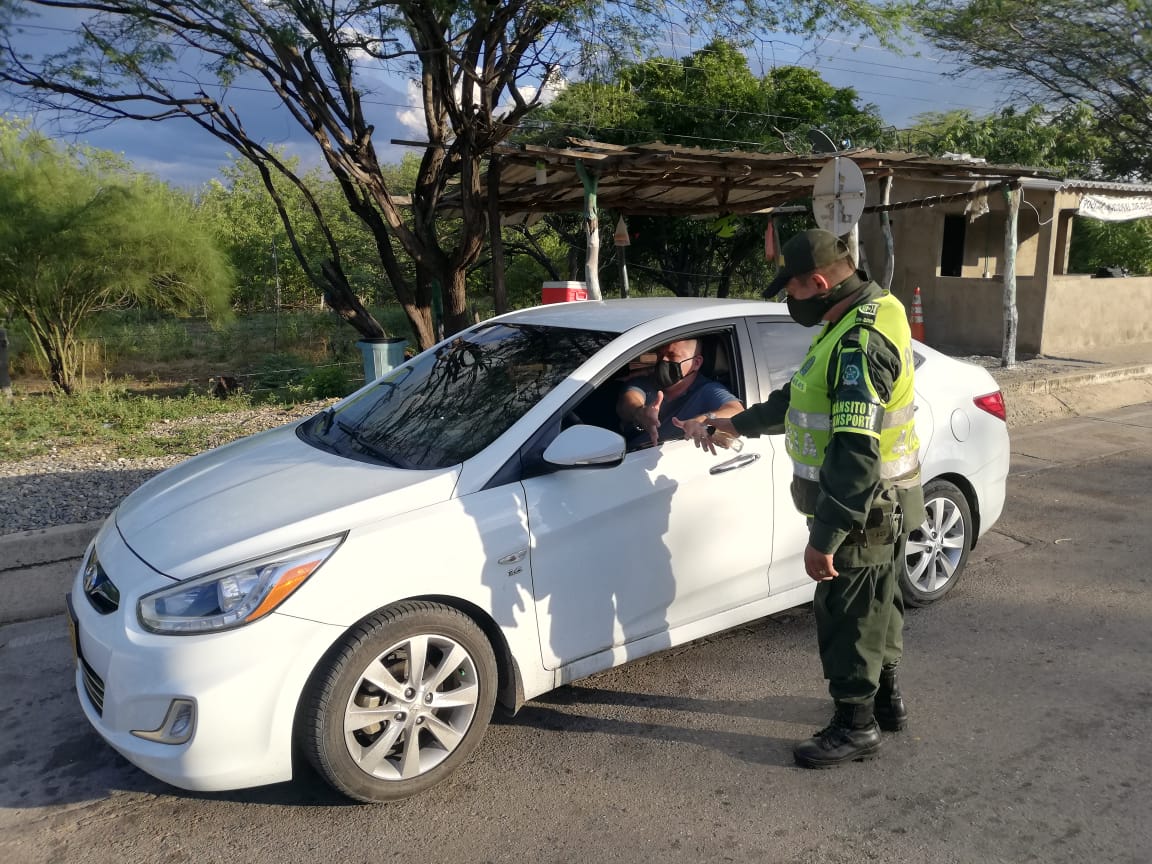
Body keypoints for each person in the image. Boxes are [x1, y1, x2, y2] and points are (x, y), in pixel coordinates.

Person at [676, 229, 926, 768]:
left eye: (791, 290)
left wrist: (826, 536)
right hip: (892, 498)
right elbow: (798, 399)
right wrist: (733, 422)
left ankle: (855, 726)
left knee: (847, 615)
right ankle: (886, 702)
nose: (790, 302)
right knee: (880, 606)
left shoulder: (857, 344)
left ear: (818, 282)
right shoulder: (874, 311)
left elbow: (855, 451)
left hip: (862, 508)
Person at [616, 337, 743, 449]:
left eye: (672, 356)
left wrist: (703, 420)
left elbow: (737, 412)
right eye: (660, 356)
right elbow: (627, 402)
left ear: (696, 363)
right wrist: (639, 412)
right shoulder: (646, 380)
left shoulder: (708, 390)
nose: (663, 361)